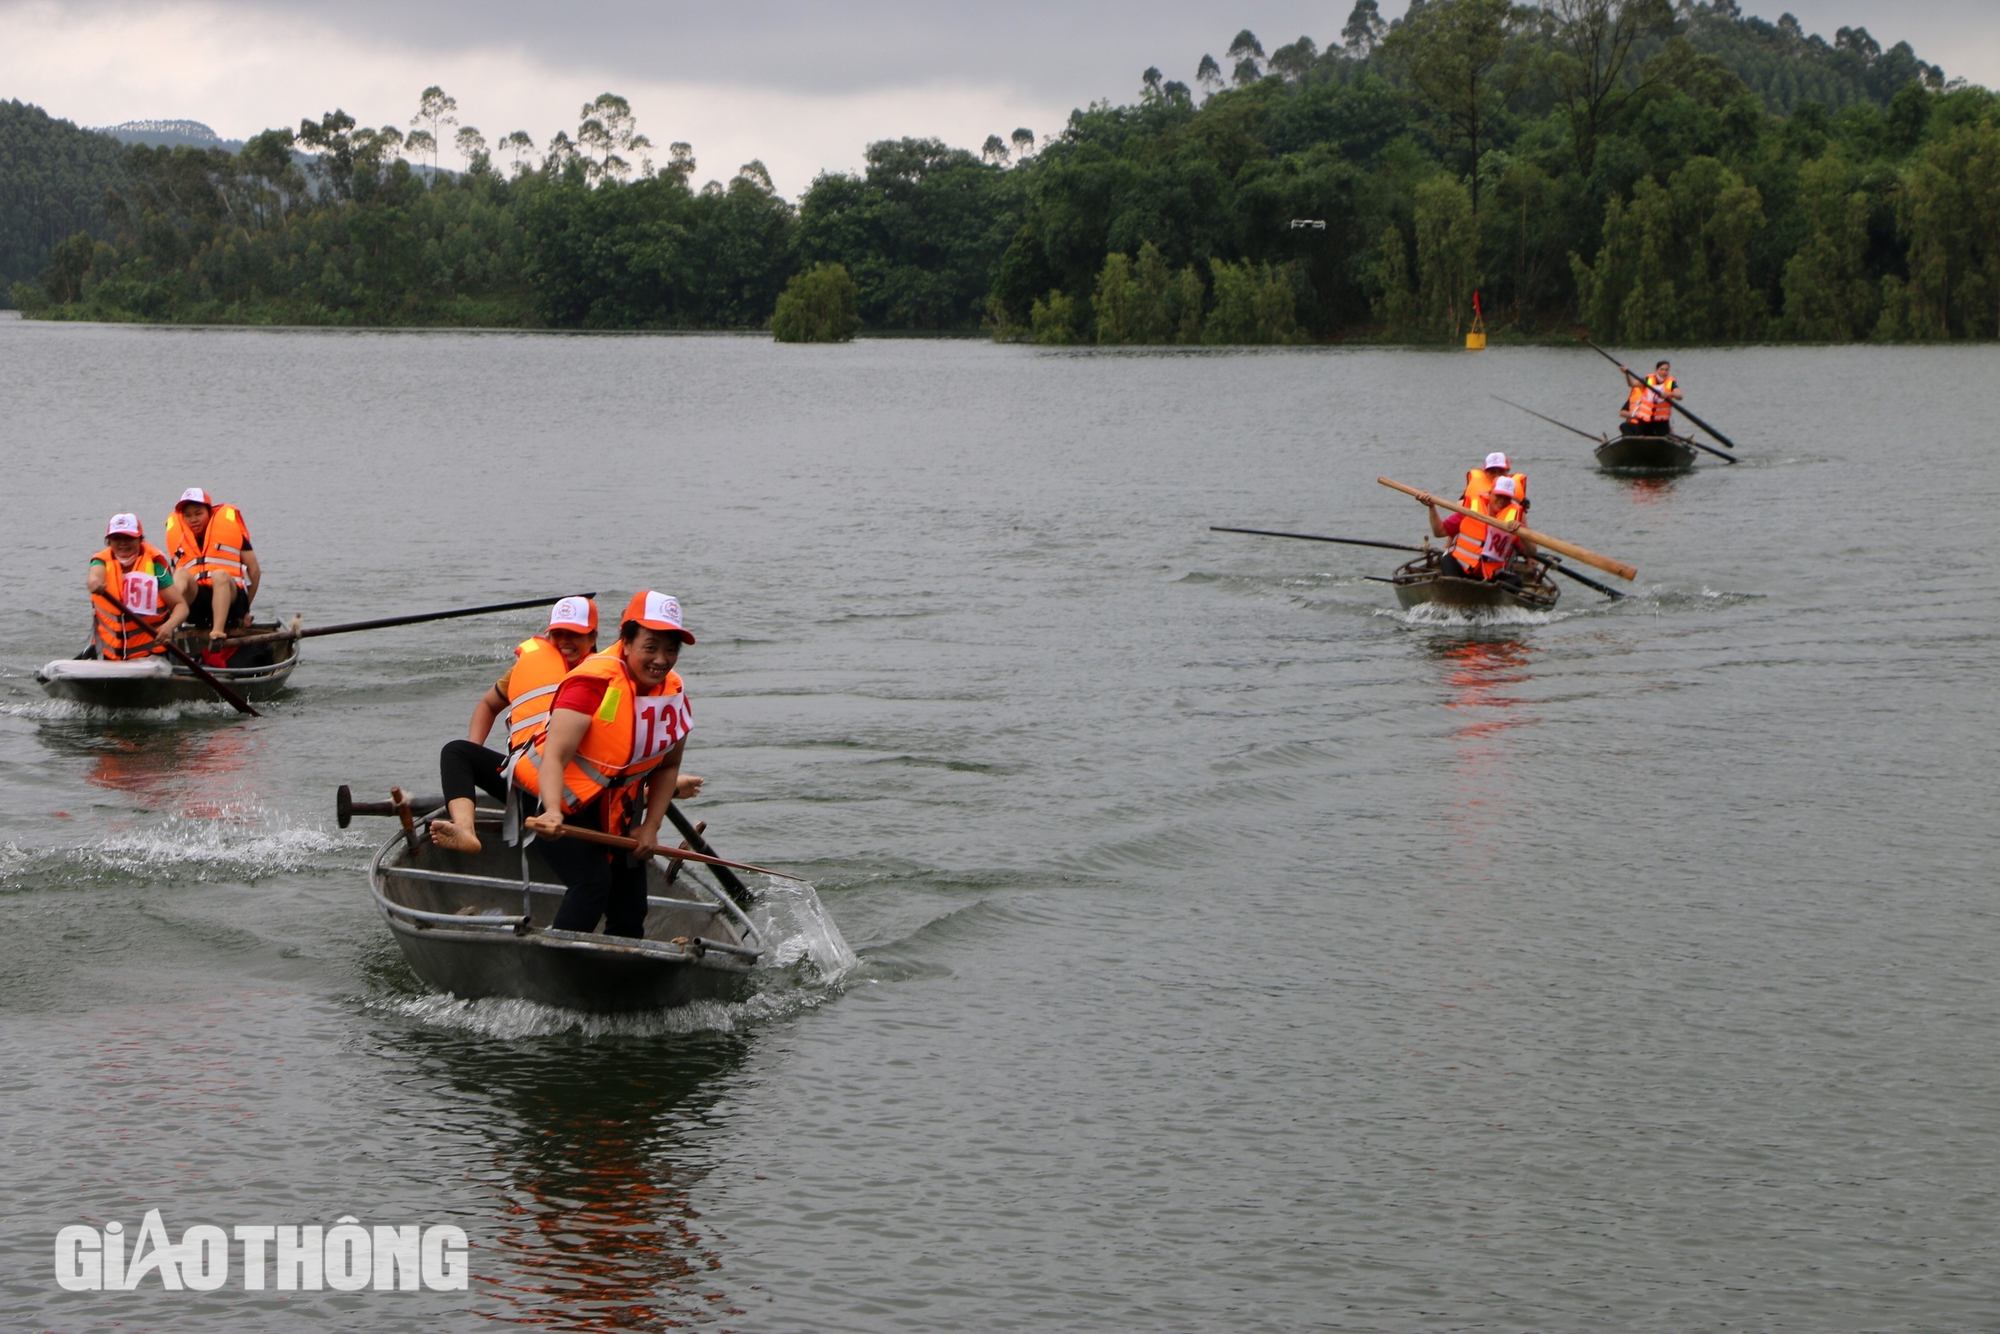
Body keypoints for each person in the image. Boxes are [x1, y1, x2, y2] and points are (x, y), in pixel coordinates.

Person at [511, 591, 700, 936]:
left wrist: (651, 827)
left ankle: (619, 979)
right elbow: (555, 755)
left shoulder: (671, 693)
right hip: (557, 799)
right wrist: (552, 809)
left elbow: (668, 767)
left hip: (618, 806)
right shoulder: (590, 683)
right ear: (625, 642)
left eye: (671, 649)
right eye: (651, 646)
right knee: (593, 885)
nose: (661, 659)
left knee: (630, 908)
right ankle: (558, 969)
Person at [433, 595, 648, 854]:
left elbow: (622, 741)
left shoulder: (605, 678)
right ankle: (465, 828)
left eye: (574, 634)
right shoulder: (530, 667)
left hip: (577, 791)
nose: (565, 642)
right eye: (557, 633)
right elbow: (487, 706)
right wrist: (476, 749)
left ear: (593, 638)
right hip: (527, 777)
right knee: (457, 752)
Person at [164, 489, 260, 661]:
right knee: (179, 573)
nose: (193, 519)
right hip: (198, 605)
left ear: (209, 511)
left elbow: (254, 571)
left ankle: (217, 631)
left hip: (231, 602)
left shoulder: (228, 530)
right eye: (187, 515)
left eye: (198, 513)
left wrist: (245, 610)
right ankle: (168, 623)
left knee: (220, 576)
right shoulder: (181, 539)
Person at [86, 513, 189, 659]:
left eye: (129, 537)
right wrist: (95, 582)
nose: (123, 543)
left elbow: (181, 606)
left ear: (140, 539)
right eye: (117, 538)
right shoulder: (100, 562)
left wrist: (169, 626)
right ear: (109, 541)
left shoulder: (155, 567)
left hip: (149, 656)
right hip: (107, 654)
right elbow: (94, 576)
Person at [1424, 475, 1535, 581]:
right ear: (1490, 494)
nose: (1502, 500)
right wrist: (1431, 507)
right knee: (1448, 560)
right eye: (1498, 496)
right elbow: (1439, 531)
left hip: (1491, 575)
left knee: (1515, 582)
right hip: (1461, 566)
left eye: (1506, 498)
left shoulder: (1514, 521)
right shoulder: (1470, 511)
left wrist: (1521, 533)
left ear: (1511, 500)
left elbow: (1531, 552)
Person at [1620, 360, 1681, 437]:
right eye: (1662, 369)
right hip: (1645, 419)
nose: (1664, 372)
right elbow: (1631, 384)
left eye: (1666, 370)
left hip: (1661, 420)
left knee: (1664, 437)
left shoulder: (1671, 383)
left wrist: (1668, 393)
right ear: (1656, 370)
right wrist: (1627, 374)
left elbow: (1679, 396)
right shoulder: (1647, 380)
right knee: (1639, 436)